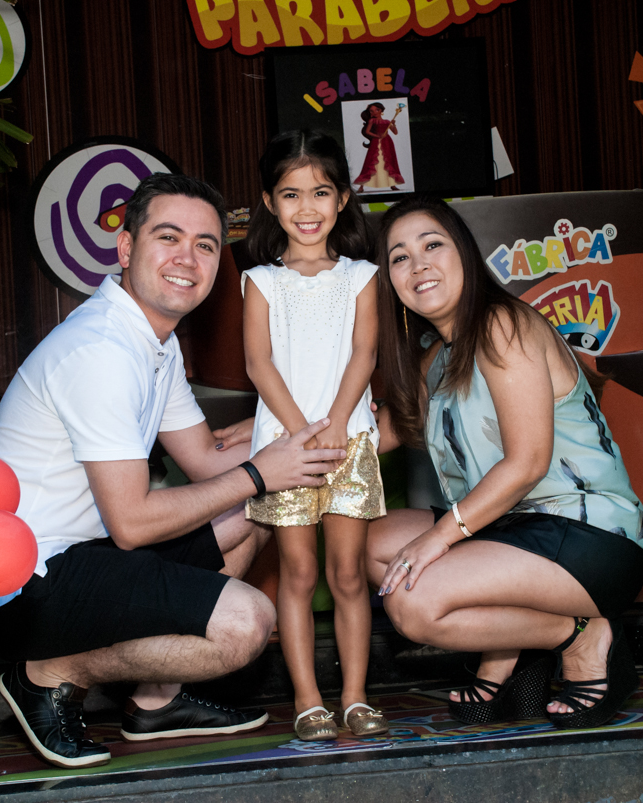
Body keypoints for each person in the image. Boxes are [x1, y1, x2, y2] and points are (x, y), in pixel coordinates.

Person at [0, 173, 349, 768]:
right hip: (24, 582)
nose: (187, 258)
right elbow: (133, 524)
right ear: (126, 249)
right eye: (167, 237)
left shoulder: (154, 341)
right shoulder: (101, 350)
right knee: (247, 625)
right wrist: (259, 471)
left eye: (204, 245)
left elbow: (203, 459)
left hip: (85, 555)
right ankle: (46, 674)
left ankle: (154, 703)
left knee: (255, 515)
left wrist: (293, 429)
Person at [366, 196, 643, 730]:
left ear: (466, 256)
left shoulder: (503, 324)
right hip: (513, 529)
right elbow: (372, 435)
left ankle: (580, 633)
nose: (418, 264)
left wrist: (437, 538)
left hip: (587, 531)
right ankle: (513, 653)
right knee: (377, 546)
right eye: (399, 258)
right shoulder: (437, 357)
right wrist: (267, 435)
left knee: (413, 603)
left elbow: (527, 464)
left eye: (432, 245)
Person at [240, 130, 389, 741]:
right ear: (271, 203)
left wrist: (332, 428)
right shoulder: (259, 280)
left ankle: (354, 695)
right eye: (291, 194)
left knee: (349, 574)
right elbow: (258, 364)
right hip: (286, 450)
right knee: (298, 575)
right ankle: (307, 698)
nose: (307, 208)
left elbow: (365, 353)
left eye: (320, 193)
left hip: (349, 442)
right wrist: (302, 435)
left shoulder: (360, 275)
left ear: (344, 199)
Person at [353, 102, 405, 193]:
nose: (375, 112)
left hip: (387, 142)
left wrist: (393, 124)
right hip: (376, 142)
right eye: (371, 111)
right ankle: (361, 186)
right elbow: (368, 132)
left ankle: (392, 184)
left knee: (388, 161)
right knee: (371, 162)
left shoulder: (387, 121)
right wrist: (377, 136)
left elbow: (395, 132)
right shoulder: (372, 121)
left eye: (377, 110)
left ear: (381, 110)